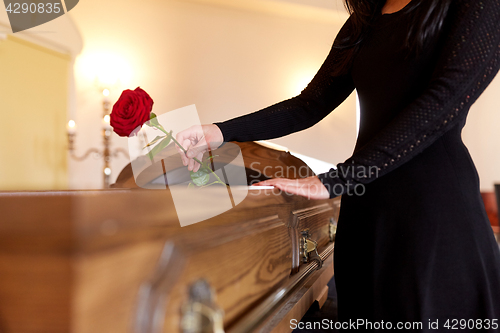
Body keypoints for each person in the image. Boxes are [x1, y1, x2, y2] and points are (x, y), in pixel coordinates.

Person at [176, 0, 500, 330]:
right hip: (365, 212)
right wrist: (219, 132)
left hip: (434, 215)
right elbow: (309, 104)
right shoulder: (366, 20)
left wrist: (335, 179)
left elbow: (443, 101)